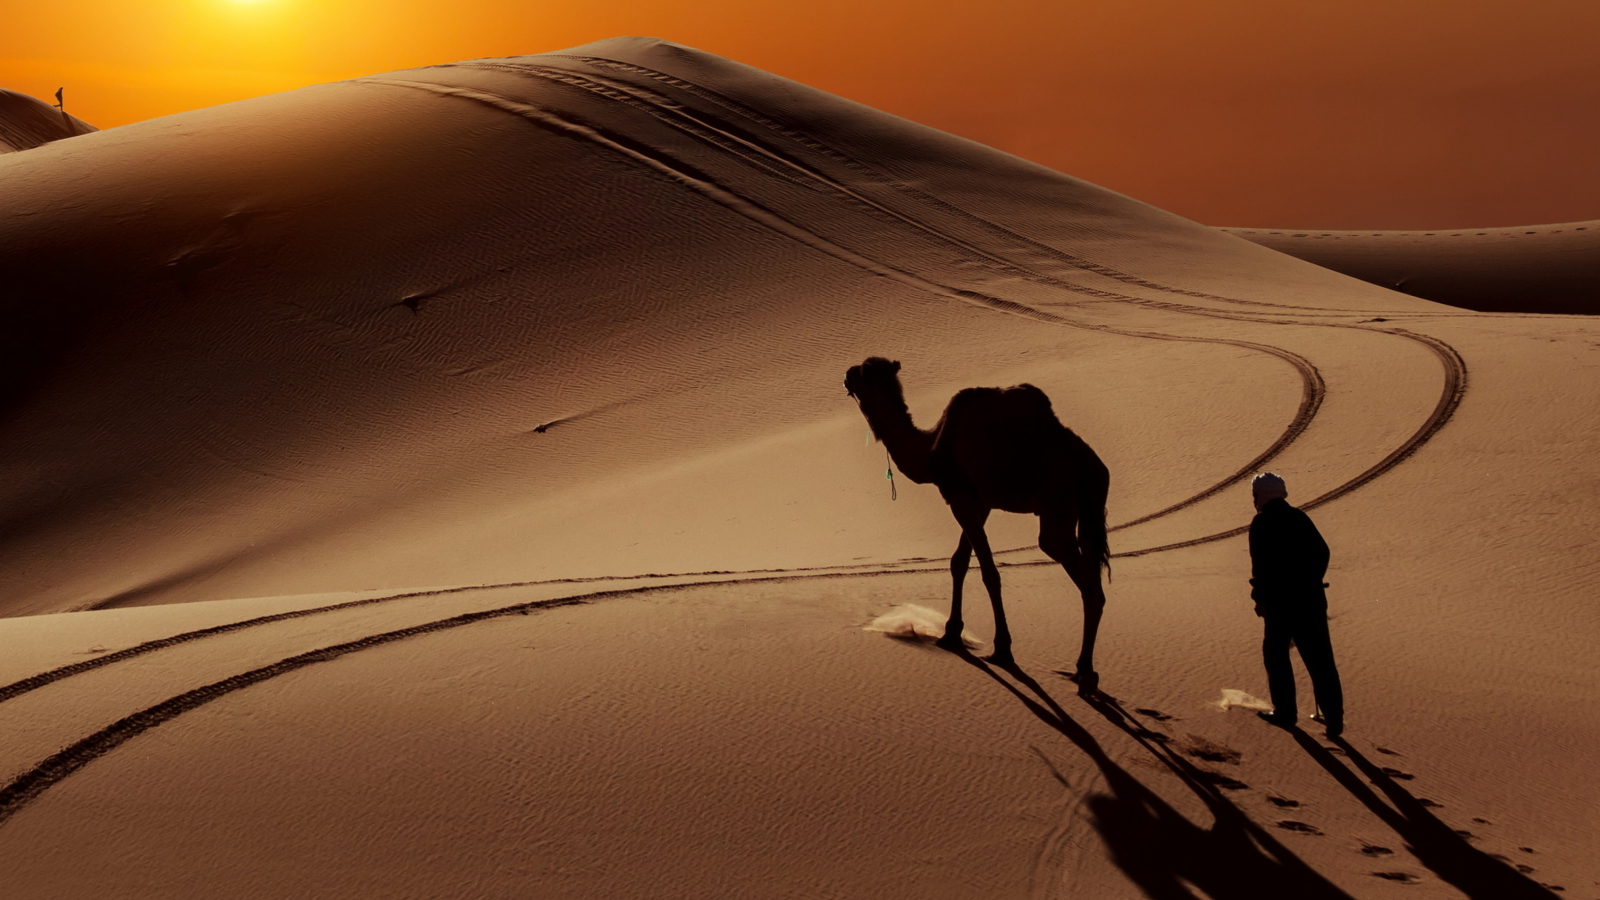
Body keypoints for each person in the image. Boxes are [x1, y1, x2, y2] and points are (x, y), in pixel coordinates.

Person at [1248, 472, 1344, 737]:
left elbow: (1261, 569)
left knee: (1276, 655)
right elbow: (1322, 552)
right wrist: (1311, 579)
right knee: (1321, 660)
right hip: (1310, 600)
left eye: (1255, 494)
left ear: (1261, 495)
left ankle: (1285, 712)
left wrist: (1260, 599)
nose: (1253, 499)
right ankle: (1334, 719)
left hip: (1280, 605)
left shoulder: (1262, 523)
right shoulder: (1300, 517)